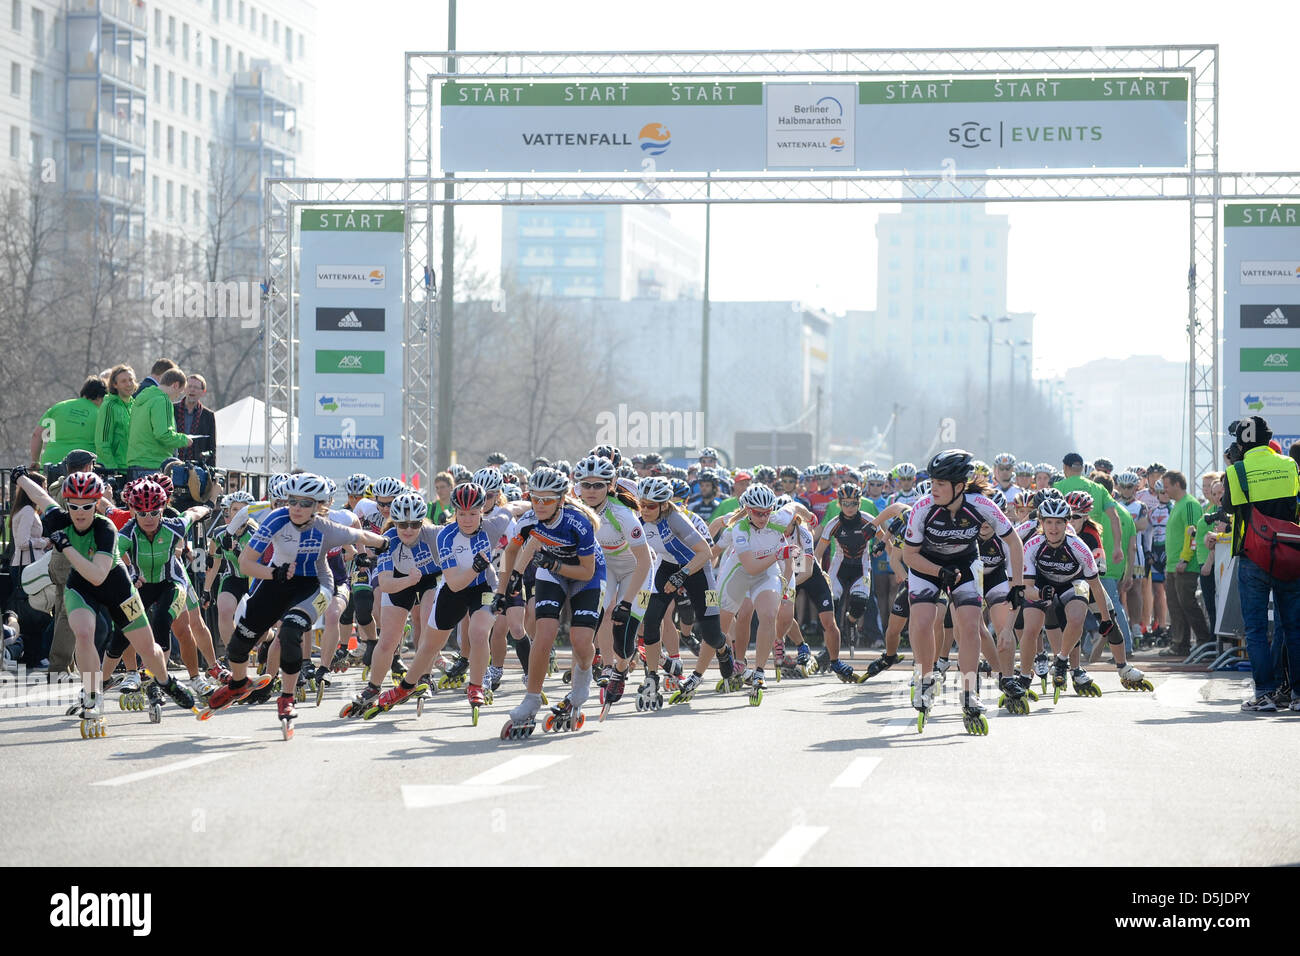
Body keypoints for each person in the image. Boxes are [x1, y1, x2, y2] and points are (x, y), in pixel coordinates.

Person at [1221, 417, 1300, 712]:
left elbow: (1230, 507)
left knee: (1255, 629)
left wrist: (1239, 466)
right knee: (1294, 627)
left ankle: (1265, 693)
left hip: (1254, 555)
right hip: (1290, 553)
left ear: (1241, 443)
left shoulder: (1236, 470)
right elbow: (1294, 503)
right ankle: (1297, 694)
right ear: (1269, 439)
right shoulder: (1290, 465)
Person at [1161, 470, 1211, 660]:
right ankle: (1179, 644)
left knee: (1188, 604)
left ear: (1176, 484)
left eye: (1166, 486)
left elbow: (1193, 533)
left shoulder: (1189, 504)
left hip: (1185, 566)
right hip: (1173, 565)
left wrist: (1185, 559)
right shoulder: (1177, 504)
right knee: (1175, 606)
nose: (1164, 490)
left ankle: (1204, 641)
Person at [125, 369, 192, 481]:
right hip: (154, 464)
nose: (178, 397)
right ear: (175, 385)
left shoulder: (140, 400)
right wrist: (185, 440)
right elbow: (163, 434)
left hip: (134, 462)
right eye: (180, 392)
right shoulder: (163, 400)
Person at [30, 376, 107, 470]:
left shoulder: (58, 407)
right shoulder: (100, 414)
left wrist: (35, 461)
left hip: (52, 463)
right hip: (83, 465)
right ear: (101, 396)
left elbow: (37, 435)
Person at [94, 365, 136, 472]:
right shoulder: (109, 406)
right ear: (114, 385)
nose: (129, 384)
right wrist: (113, 470)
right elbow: (102, 443)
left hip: (134, 469)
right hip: (117, 471)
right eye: (123, 381)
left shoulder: (135, 405)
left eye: (131, 380)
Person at [174, 373, 217, 464]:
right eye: (189, 386)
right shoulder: (172, 409)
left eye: (196, 387)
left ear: (203, 392)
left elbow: (212, 448)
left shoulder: (208, 415)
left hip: (197, 468)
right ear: (184, 389)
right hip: (173, 464)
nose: (192, 390)